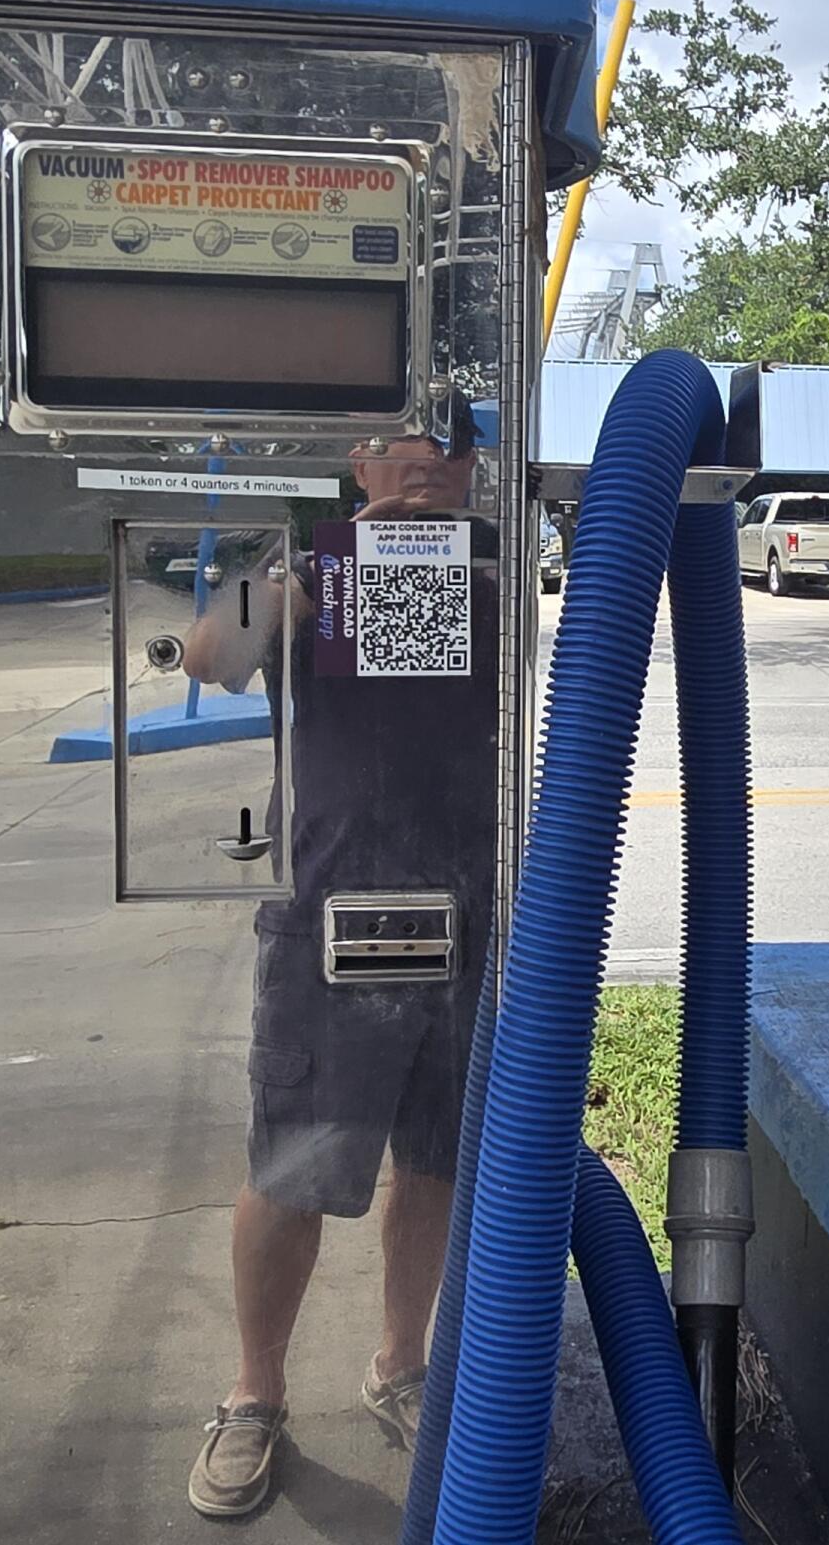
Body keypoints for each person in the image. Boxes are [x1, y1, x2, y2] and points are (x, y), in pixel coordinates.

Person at [180, 430, 500, 1519]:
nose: (425, 468)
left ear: (474, 467)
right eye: (404, 445)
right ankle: (254, 1394)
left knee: (436, 1158)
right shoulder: (312, 571)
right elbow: (210, 656)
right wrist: (304, 579)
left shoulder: (498, 575)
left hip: (468, 909)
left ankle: (401, 1365)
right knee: (295, 1164)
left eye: (450, 447)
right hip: (331, 910)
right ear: (361, 459)